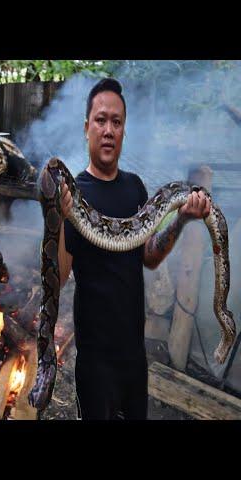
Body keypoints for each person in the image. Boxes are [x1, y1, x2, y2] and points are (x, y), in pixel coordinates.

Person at [57, 78, 211, 419]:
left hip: (134, 355)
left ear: (124, 130)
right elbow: (59, 275)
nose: (108, 129)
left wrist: (182, 219)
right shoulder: (73, 195)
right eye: (101, 120)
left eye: (117, 121)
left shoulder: (135, 187)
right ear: (87, 128)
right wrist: (56, 218)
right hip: (95, 361)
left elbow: (150, 256)